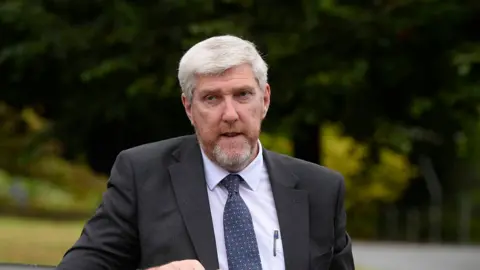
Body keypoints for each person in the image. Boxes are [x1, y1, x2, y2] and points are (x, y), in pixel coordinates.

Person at [56, 35, 354, 270]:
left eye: (242, 95)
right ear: (189, 107)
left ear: (264, 99)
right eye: (211, 98)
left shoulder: (320, 189)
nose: (230, 114)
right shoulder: (142, 175)